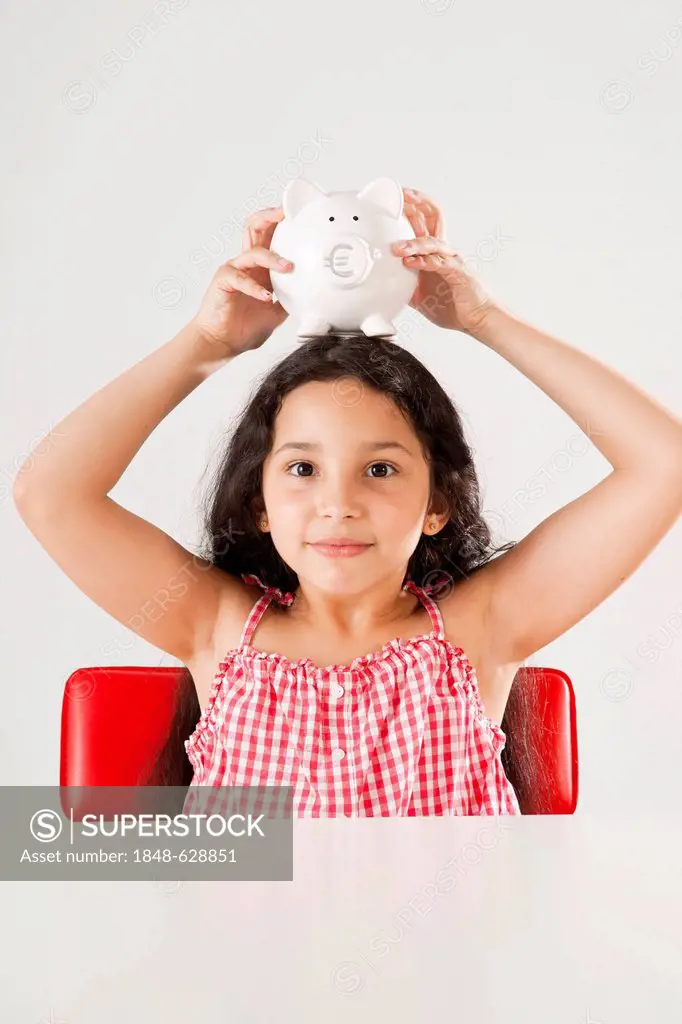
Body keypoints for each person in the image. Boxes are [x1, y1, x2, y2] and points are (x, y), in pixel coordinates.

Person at [13, 188, 682, 816]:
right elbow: (49, 493)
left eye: (381, 469)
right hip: (243, 946)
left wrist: (484, 320)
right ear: (260, 504)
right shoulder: (211, 627)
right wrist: (206, 346)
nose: (339, 502)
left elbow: (664, 463)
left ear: (436, 504)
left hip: (454, 945)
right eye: (303, 467)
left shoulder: (483, 630)